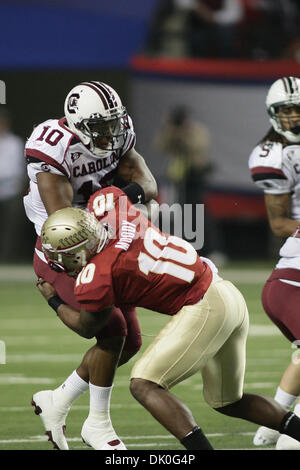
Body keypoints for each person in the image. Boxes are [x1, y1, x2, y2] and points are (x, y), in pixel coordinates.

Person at [36, 185, 300, 450]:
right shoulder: (110, 207)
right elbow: (142, 191)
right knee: (228, 401)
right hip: (227, 293)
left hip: (205, 305)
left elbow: (86, 326)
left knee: (144, 384)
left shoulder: (96, 276)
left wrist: (53, 300)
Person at [24, 81, 158, 450]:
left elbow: (148, 182)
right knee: (110, 328)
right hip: (62, 249)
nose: (110, 134)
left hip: (106, 239)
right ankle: (98, 426)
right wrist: (119, 209)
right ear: (77, 123)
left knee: (129, 343)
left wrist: (120, 200)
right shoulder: (53, 144)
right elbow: (65, 222)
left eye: (113, 124)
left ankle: (58, 401)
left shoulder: (120, 132)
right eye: (101, 127)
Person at [248, 76, 300, 450]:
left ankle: (270, 429)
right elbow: (279, 222)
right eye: (287, 110)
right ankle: (288, 439)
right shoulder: (272, 154)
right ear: (273, 113)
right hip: (291, 275)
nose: (294, 117)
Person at [0, 108, 25, 262]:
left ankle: (6, 258)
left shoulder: (15, 143)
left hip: (10, 190)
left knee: (11, 226)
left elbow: (17, 170)